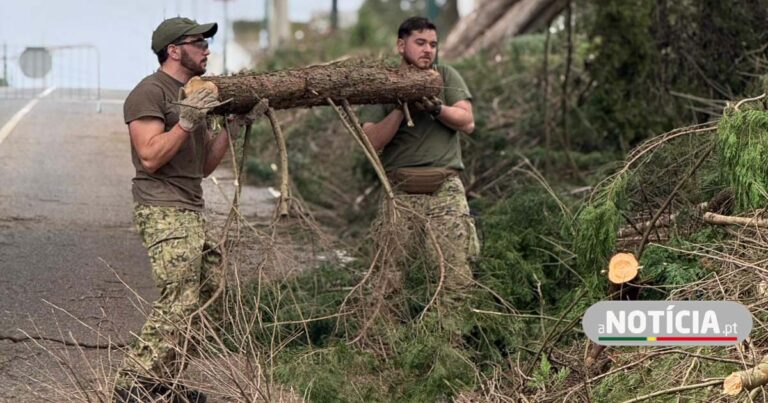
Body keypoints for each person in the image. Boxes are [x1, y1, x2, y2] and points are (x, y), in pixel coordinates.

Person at [115, 17, 232, 403]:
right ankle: (131, 386)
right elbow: (150, 157)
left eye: (207, 43)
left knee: (212, 297)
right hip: (162, 208)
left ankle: (161, 383)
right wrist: (185, 121)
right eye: (199, 43)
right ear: (174, 50)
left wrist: (230, 126)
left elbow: (203, 166)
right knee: (179, 300)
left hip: (191, 206)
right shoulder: (149, 93)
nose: (207, 49)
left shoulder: (196, 93)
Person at [362, 17, 480, 311]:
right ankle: (383, 336)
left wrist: (436, 108)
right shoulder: (383, 83)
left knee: (454, 275)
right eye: (420, 43)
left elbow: (467, 121)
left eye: (433, 44)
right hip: (400, 195)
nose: (428, 50)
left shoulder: (445, 76)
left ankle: (448, 335)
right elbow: (372, 140)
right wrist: (401, 108)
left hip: (445, 192)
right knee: (388, 279)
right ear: (401, 45)